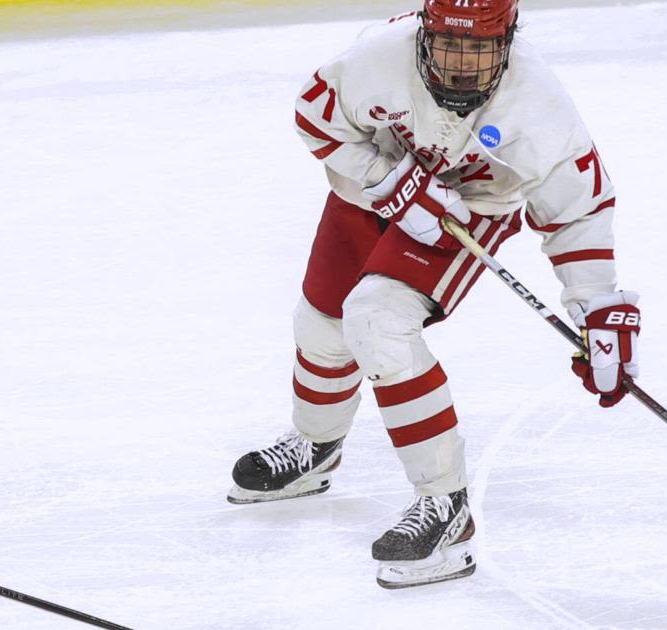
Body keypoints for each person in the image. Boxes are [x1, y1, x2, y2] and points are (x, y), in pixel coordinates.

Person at [227, 0, 641, 589]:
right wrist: (388, 182)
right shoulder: (376, 57)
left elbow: (578, 209)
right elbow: (315, 118)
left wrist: (599, 306)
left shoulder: (541, 107)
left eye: (481, 48)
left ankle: (447, 508)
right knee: (321, 323)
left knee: (375, 322)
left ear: (510, 41)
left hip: (469, 212)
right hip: (373, 190)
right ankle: (315, 450)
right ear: (424, 32)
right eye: (450, 43)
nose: (463, 64)